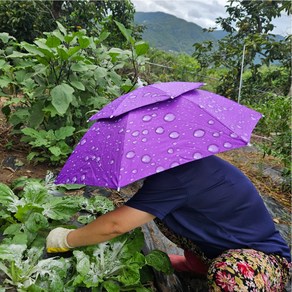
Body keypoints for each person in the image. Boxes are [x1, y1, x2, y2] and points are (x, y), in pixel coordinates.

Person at [47, 155, 291, 291]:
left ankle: (218, 271)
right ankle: (197, 264)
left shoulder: (178, 177)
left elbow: (116, 225)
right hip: (225, 245)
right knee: (163, 216)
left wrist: (65, 239)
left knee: (230, 274)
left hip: (265, 262)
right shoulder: (182, 164)